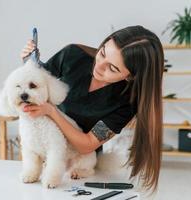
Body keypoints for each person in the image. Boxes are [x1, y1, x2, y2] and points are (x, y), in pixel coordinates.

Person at [20, 25, 164, 192]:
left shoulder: (127, 103)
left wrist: (52, 112)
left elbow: (87, 144)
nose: (99, 66)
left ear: (131, 76)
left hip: (80, 165)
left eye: (113, 68)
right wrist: (28, 63)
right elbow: (39, 81)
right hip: (44, 151)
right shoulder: (71, 55)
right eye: (102, 53)